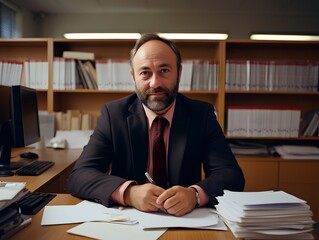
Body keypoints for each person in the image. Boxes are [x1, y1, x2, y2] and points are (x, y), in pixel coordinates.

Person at [68, 33, 245, 217]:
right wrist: (128, 193)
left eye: (164, 70)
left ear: (179, 72)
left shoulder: (201, 115)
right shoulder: (114, 115)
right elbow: (79, 175)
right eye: (145, 73)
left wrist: (195, 195)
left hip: (186, 221)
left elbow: (231, 175)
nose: (155, 83)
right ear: (133, 77)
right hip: (130, 222)